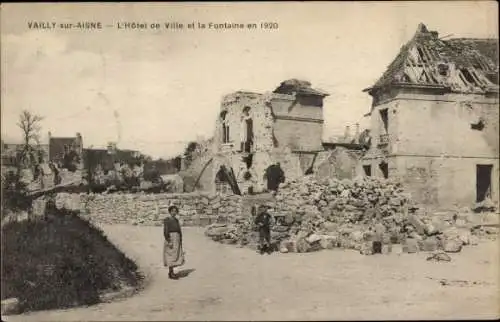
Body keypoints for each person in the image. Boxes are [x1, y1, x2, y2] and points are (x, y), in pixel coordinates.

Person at [163, 205, 185, 279]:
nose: (174, 212)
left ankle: (171, 272)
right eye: (172, 211)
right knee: (170, 256)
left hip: (177, 239)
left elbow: (179, 230)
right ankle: (171, 272)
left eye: (175, 211)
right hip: (171, 239)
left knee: (175, 255)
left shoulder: (176, 220)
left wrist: (180, 239)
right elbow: (165, 231)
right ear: (170, 212)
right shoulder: (167, 220)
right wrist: (169, 241)